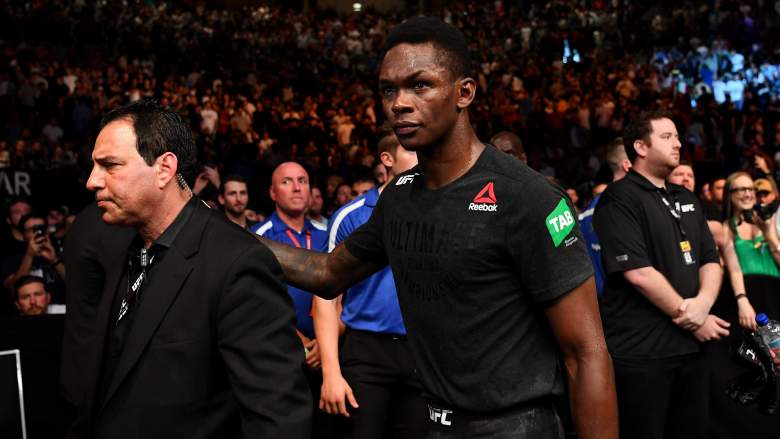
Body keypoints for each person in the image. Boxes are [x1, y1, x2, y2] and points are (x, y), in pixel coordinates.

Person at [259, 16, 617, 439]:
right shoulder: (399, 198)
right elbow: (327, 273)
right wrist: (220, 231)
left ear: (464, 93)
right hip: (434, 424)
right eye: (388, 90)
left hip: (516, 428)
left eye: (420, 85)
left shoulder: (529, 198)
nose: (399, 103)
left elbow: (586, 353)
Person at [70, 99, 310, 438]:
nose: (92, 181)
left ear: (164, 168)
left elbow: (278, 419)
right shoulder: (123, 246)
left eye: (110, 165)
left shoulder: (237, 263)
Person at [593, 110, 726, 439]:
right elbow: (638, 273)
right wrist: (691, 316)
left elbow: (711, 260)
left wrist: (702, 305)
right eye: (667, 137)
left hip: (692, 349)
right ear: (640, 147)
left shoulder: (687, 197)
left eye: (678, 137)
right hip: (643, 353)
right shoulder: (619, 198)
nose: (678, 143)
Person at [315, 132, 424, 438]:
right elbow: (326, 296)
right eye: (410, 150)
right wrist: (331, 373)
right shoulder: (352, 215)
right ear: (387, 159)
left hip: (421, 350)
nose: (421, 157)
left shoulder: (437, 210)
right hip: (366, 351)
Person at [249, 161, 333, 439]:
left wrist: (325, 342)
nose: (297, 188)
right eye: (287, 182)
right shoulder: (258, 238)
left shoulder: (327, 234)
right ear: (272, 193)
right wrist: (303, 343)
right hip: (281, 354)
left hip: (328, 355)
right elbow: (257, 303)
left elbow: (346, 295)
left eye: (302, 181)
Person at [578, 137, 630, 297]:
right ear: (627, 165)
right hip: (638, 305)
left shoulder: (584, 216)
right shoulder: (628, 207)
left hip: (604, 304)